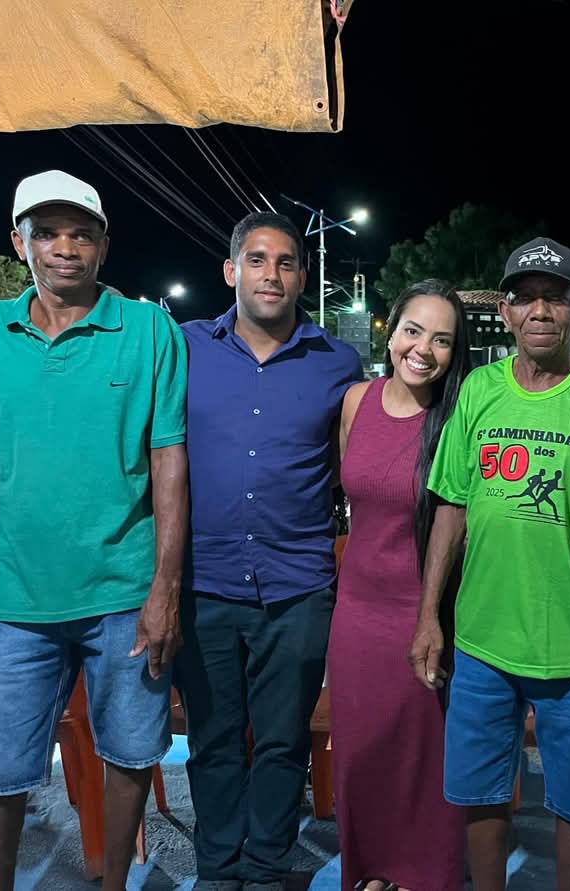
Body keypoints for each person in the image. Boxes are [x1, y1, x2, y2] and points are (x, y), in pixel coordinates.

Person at [0, 170, 189, 891]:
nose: (65, 248)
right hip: (12, 598)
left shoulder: (149, 330)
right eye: (47, 233)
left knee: (130, 754)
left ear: (103, 245)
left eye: (81, 234)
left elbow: (169, 461)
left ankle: (113, 883)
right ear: (19, 243)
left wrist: (164, 589)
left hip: (124, 593)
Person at [409, 238, 570, 891]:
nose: (540, 311)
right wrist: (429, 616)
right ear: (505, 312)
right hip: (482, 641)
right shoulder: (479, 390)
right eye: (525, 298)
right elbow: (451, 506)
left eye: (556, 298)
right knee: (480, 792)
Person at [176, 211, 363, 891]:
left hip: (298, 586)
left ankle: (265, 870)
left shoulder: (337, 361)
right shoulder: (185, 347)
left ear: (303, 277)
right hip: (204, 582)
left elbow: (351, 461)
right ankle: (217, 870)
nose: (271, 274)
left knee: (284, 742)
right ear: (231, 271)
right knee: (213, 740)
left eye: (286, 262)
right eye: (256, 260)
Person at [329, 279, 470, 891]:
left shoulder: (457, 418)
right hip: (356, 612)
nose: (423, 350)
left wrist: (434, 615)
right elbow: (350, 495)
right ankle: (370, 869)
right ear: (390, 332)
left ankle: (423, 875)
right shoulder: (356, 401)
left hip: (425, 613)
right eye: (413, 331)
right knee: (360, 751)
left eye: (442, 340)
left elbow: (460, 521)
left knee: (422, 756)